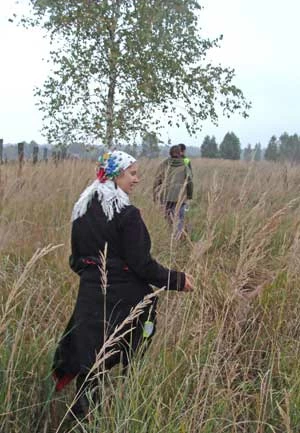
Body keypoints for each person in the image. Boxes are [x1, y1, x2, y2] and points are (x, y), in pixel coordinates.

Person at [52, 150, 193, 419]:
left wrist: (94, 277)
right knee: (131, 347)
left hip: (90, 297)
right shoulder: (127, 214)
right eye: (132, 173)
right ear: (116, 175)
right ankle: (124, 403)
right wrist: (179, 279)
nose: (137, 179)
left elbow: (76, 260)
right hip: (125, 299)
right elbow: (143, 265)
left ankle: (83, 414)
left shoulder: (81, 209)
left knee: (91, 357)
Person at [153, 145, 193, 239]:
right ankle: (177, 239)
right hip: (180, 198)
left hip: (166, 197)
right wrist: (189, 196)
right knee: (179, 219)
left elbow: (156, 181)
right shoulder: (184, 165)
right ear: (180, 153)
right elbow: (190, 182)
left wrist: (155, 196)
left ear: (170, 153)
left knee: (169, 219)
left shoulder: (163, 164)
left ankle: (173, 236)